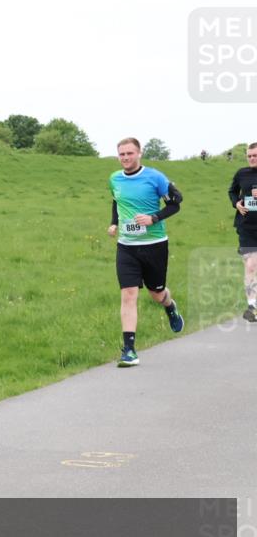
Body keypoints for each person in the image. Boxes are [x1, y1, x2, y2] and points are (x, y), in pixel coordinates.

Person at [107, 137, 184, 367]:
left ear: (139, 153)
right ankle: (129, 350)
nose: (125, 158)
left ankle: (170, 307)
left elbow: (176, 202)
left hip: (154, 245)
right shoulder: (114, 178)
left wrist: (154, 218)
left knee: (157, 293)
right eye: (121, 154)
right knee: (129, 294)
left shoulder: (155, 177)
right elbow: (116, 201)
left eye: (129, 153)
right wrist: (113, 223)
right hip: (126, 247)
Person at [228, 142, 257, 322]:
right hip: (246, 227)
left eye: (255, 156)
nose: (252, 158)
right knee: (251, 265)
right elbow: (232, 192)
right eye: (250, 156)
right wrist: (236, 203)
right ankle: (252, 306)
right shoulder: (241, 173)